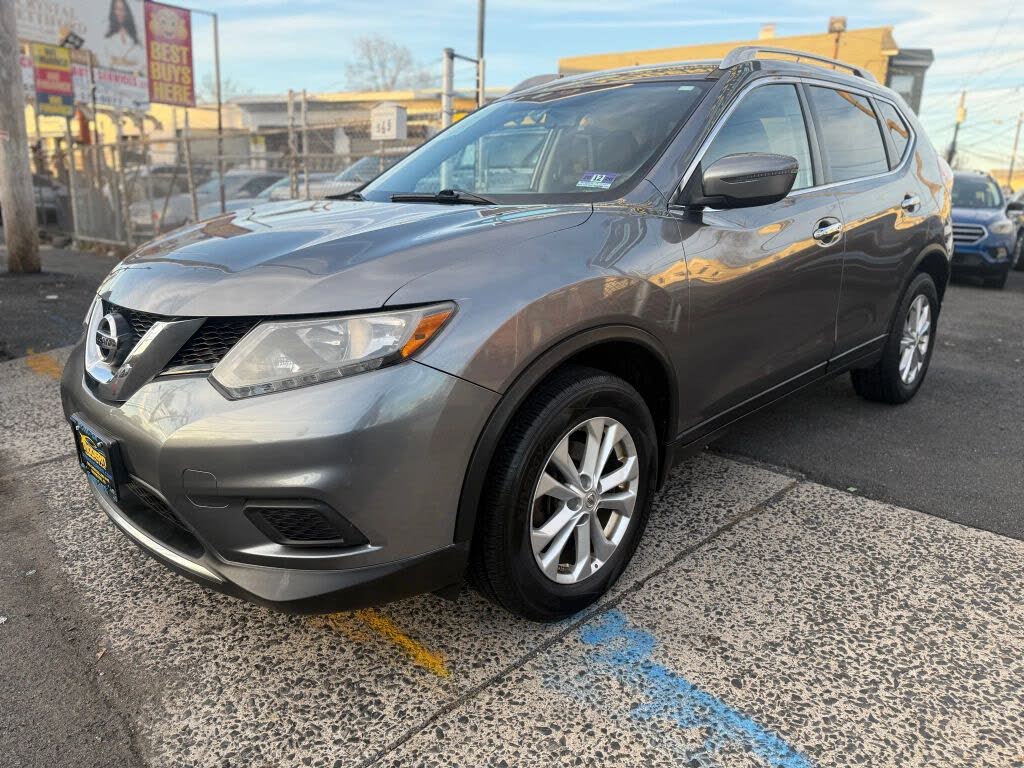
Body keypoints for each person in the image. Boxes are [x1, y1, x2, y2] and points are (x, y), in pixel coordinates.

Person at [99, 0, 144, 74]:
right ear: (113, 11)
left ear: (127, 12)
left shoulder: (137, 35)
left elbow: (143, 61)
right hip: (110, 79)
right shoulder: (106, 35)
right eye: (117, 9)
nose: (120, 13)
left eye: (122, 9)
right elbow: (102, 59)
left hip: (135, 80)